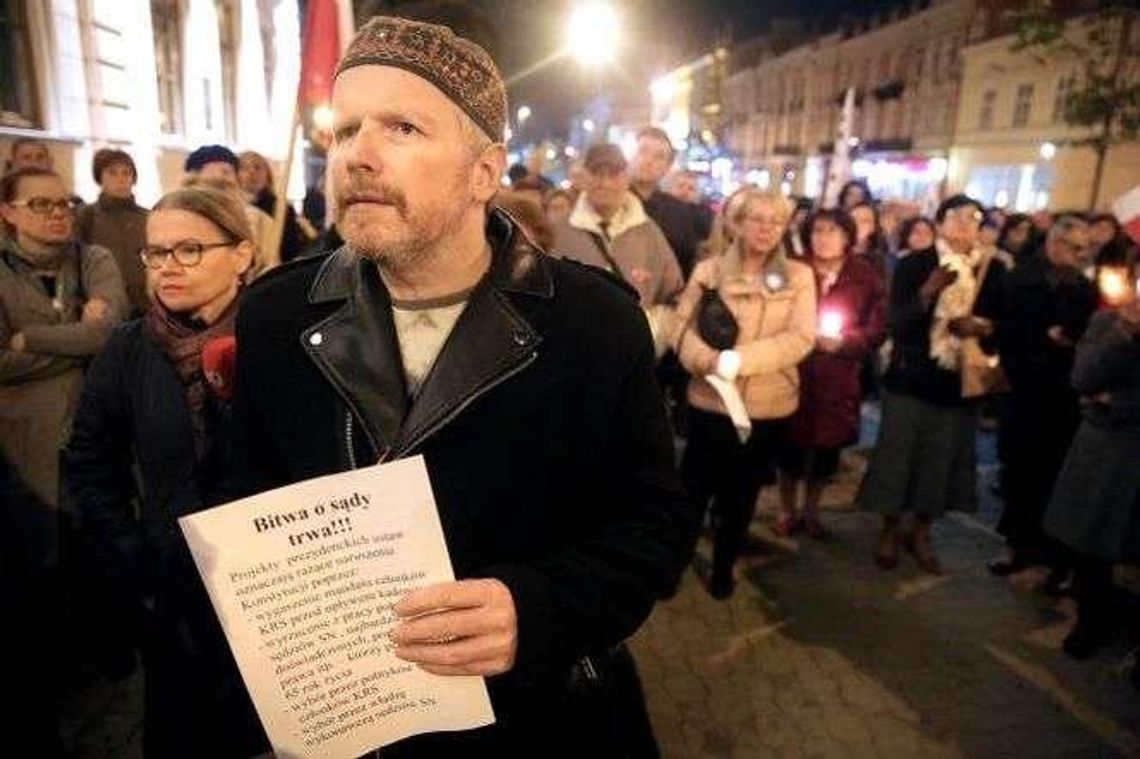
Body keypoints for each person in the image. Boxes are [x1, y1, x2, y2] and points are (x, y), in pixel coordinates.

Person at [229, 13, 697, 755]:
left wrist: (538, 609)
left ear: (485, 171)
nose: (357, 156)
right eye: (345, 130)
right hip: (350, 726)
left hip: (537, 720)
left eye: (402, 128)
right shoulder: (274, 317)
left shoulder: (594, 324)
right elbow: (238, 506)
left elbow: (654, 526)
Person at [67, 186, 257, 757]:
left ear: (242, 255)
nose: (167, 267)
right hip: (169, 592)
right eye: (156, 252)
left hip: (267, 592)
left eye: (190, 249)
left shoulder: (277, 341)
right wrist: (132, 560)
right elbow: (91, 460)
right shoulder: (129, 348)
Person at [672, 189, 816, 598]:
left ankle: (724, 564)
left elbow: (801, 337)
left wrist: (742, 360)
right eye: (757, 219)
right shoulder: (710, 271)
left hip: (767, 407)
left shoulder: (799, 277)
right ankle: (674, 562)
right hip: (710, 402)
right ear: (736, 223)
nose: (766, 229)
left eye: (776, 221)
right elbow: (680, 331)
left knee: (742, 493)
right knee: (693, 490)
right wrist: (711, 362)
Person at [859, 194, 1007, 574]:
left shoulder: (992, 268)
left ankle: (921, 530)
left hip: (959, 383)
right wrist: (928, 291)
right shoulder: (916, 264)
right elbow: (897, 321)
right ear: (939, 223)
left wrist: (985, 327)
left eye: (973, 219)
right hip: (912, 377)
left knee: (939, 464)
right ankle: (889, 529)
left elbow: (1005, 324)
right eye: (955, 218)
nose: (964, 225)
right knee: (899, 457)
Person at [0, 168, 127, 514]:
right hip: (23, 439)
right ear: (8, 212)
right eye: (41, 204)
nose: (58, 213)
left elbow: (110, 334)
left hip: (97, 432)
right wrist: (82, 341)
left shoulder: (94, 259)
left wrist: (29, 338)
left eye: (65, 203)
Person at [990, 215, 1099, 577]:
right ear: (1055, 244)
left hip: (1062, 392)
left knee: (1055, 471)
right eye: (1077, 248)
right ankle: (1016, 544)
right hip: (1024, 386)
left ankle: (1050, 549)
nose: (1082, 255)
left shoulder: (1084, 288)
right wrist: (1041, 338)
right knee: (1020, 469)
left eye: (1086, 249)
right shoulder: (1020, 279)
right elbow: (1003, 328)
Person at [776, 209, 886, 538]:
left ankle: (812, 510)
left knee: (826, 449)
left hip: (838, 374)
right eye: (818, 230)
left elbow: (877, 327)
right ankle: (786, 508)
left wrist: (845, 343)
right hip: (793, 369)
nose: (824, 238)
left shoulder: (864, 275)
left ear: (848, 237)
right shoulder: (793, 267)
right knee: (788, 445)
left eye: (833, 231)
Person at [1043, 298, 1140, 659]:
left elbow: (1104, 395)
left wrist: (1118, 401)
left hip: (1128, 444)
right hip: (1102, 449)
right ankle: (1091, 620)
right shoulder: (1106, 322)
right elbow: (1082, 378)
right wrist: (1123, 335)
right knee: (1092, 539)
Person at [553, 142, 684, 356]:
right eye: (597, 173)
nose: (605, 183)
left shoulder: (649, 233)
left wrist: (652, 337)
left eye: (614, 174)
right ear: (584, 176)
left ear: (626, 178)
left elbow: (674, 294)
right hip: (573, 360)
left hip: (632, 362)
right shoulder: (560, 232)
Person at [629, 126, 711, 279]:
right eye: (643, 151)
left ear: (667, 168)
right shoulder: (611, 202)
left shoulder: (681, 213)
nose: (648, 160)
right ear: (631, 156)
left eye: (658, 156)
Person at [183, 144, 277, 276]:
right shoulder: (176, 217)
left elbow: (269, 267)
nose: (225, 175)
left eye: (228, 171)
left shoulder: (258, 219)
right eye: (220, 170)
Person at [76, 148, 149, 315]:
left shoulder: (148, 217)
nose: (121, 179)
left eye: (127, 173)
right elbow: (76, 260)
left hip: (147, 306)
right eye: (112, 173)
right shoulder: (86, 216)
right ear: (99, 178)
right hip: (105, 305)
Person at [237, 150, 310, 264]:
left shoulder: (282, 208)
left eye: (257, 167)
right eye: (244, 167)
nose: (251, 172)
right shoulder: (231, 207)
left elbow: (291, 250)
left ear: (268, 175)